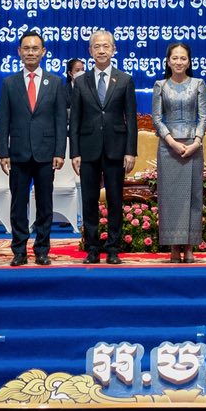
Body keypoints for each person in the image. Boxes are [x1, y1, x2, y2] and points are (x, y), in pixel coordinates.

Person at [0, 30, 68, 266]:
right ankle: (19, 250)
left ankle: (42, 249)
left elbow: (60, 120)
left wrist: (60, 152)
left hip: (46, 153)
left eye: (35, 48)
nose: (30, 52)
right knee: (18, 204)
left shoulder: (55, 82)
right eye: (26, 48)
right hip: (18, 153)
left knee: (45, 204)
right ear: (19, 52)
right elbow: (4, 119)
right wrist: (3, 152)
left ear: (43, 52)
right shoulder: (9, 83)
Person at [69, 29, 138, 263]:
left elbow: (131, 118)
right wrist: (75, 152)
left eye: (106, 46)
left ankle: (113, 248)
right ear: (90, 51)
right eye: (97, 46)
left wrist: (130, 151)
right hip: (88, 149)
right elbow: (75, 120)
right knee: (89, 200)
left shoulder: (125, 80)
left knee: (115, 199)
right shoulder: (81, 81)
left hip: (116, 148)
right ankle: (92, 248)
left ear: (114, 49)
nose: (101, 50)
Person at [151, 41, 206, 263]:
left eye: (183, 58)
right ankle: (174, 247)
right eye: (174, 58)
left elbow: (203, 117)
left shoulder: (198, 84)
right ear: (168, 61)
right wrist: (171, 141)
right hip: (168, 148)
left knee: (193, 197)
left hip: (193, 147)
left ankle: (190, 247)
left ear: (189, 61)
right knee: (170, 198)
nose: (178, 62)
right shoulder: (160, 85)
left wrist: (197, 141)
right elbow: (157, 118)